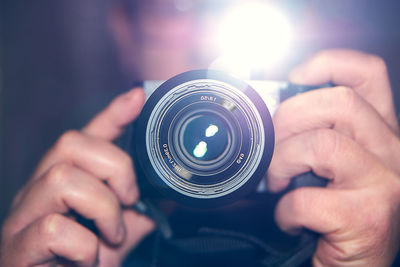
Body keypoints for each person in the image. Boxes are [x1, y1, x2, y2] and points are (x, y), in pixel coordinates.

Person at [1, 1, 400, 266]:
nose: (208, 47)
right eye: (178, 6)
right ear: (125, 32)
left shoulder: (360, 199)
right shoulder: (75, 202)